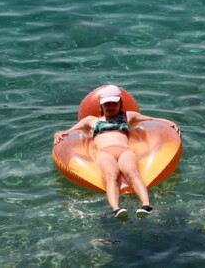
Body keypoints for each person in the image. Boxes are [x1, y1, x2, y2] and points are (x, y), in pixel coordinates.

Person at [53, 85, 154, 218]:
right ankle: (116, 209)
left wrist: (172, 124)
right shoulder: (91, 120)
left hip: (124, 151)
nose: (110, 107)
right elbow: (69, 132)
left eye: (114, 104)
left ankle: (146, 205)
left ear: (120, 104)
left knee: (133, 173)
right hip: (105, 153)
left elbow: (153, 121)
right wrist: (58, 134)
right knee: (111, 176)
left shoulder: (128, 116)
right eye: (107, 104)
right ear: (101, 106)